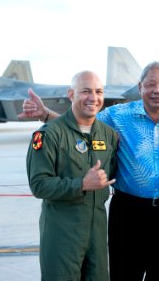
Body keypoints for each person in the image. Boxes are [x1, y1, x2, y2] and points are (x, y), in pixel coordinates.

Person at [19, 62, 159, 281]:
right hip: (128, 212)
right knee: (123, 275)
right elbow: (81, 126)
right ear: (140, 87)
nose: (157, 90)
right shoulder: (117, 116)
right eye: (150, 84)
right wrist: (47, 114)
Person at [26, 71, 118, 280]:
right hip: (61, 232)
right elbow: (39, 184)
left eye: (98, 91)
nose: (93, 98)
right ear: (71, 94)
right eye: (85, 91)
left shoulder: (108, 135)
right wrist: (81, 184)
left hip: (97, 232)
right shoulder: (48, 134)